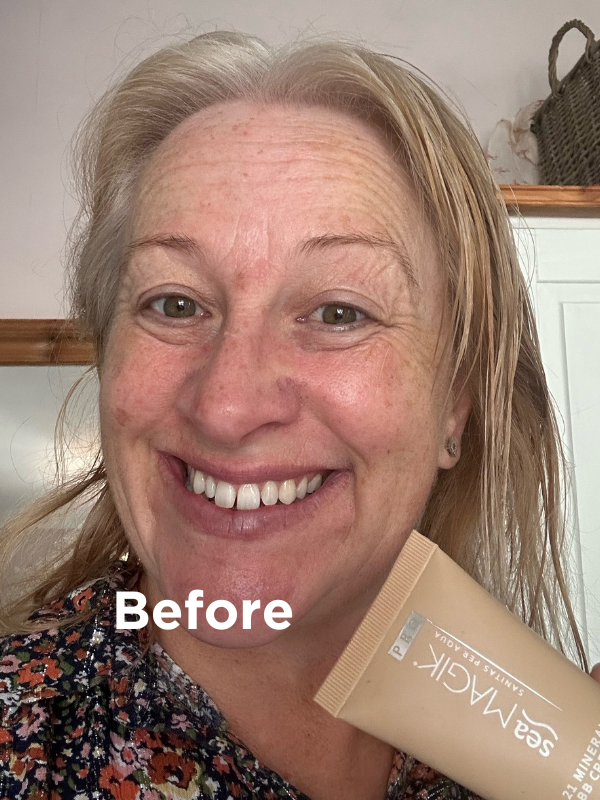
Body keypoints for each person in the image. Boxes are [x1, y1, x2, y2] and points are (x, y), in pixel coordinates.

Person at [0, 30, 590, 800]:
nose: (227, 406)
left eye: (340, 311)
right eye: (174, 303)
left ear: (455, 405)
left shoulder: (526, 738)